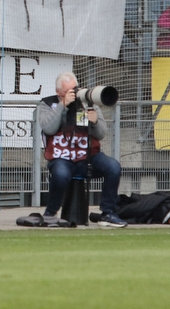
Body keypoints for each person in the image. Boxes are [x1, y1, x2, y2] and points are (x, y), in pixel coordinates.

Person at [38, 72, 127, 227]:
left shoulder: (86, 103)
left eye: (75, 89)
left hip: (88, 157)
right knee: (60, 173)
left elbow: (101, 134)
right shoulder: (48, 104)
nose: (74, 94)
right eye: (68, 91)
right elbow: (49, 128)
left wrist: (95, 121)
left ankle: (107, 213)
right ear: (59, 92)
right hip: (61, 158)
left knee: (113, 167)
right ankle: (50, 214)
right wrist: (62, 106)